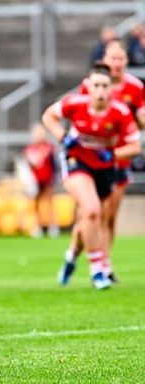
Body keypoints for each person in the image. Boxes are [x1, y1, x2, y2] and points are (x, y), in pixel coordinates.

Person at [42, 63, 141, 290]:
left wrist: (113, 153)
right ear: (88, 86)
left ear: (110, 89)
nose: (100, 90)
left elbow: (135, 146)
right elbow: (48, 116)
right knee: (92, 209)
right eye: (96, 85)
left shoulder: (120, 112)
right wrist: (62, 135)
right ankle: (98, 271)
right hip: (77, 162)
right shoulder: (75, 103)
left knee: (88, 220)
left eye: (105, 86)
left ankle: (71, 256)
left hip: (104, 168)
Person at [66, 40, 145, 283]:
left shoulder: (136, 88)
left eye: (121, 58)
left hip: (117, 157)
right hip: (90, 159)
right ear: (105, 60)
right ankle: (75, 254)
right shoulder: (92, 85)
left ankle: (105, 266)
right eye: (113, 58)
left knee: (108, 216)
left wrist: (139, 120)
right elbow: (80, 115)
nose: (117, 63)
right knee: (90, 214)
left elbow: (140, 125)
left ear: (126, 61)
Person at [23, 122, 59, 238]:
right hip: (35, 181)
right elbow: (27, 167)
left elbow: (54, 164)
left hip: (48, 179)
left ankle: (53, 226)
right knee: (36, 205)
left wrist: (55, 177)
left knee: (50, 203)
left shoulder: (49, 148)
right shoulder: (30, 149)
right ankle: (37, 227)